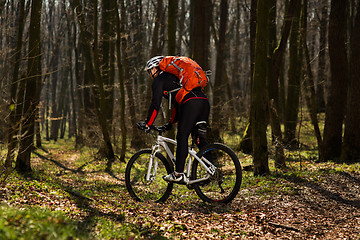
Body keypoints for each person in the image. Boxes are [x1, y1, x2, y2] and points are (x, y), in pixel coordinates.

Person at [137, 56, 210, 184]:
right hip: (203, 102)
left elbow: (155, 104)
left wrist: (148, 123)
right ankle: (212, 170)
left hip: (191, 103)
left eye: (150, 71)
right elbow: (177, 102)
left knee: (182, 136)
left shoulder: (159, 80)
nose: (150, 74)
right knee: (199, 140)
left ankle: (179, 174)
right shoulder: (176, 79)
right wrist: (171, 123)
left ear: (155, 68)